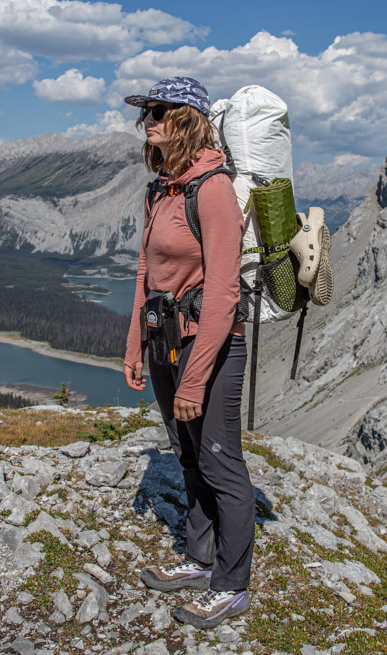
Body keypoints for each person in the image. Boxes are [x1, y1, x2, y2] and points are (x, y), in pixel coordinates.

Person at [122, 76, 254, 629]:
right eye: (145, 111)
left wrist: (196, 381)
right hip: (165, 341)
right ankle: (200, 559)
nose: (148, 119)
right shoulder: (162, 188)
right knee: (188, 456)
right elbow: (146, 273)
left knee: (222, 464)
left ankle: (231, 585)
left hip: (211, 349)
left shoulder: (213, 189)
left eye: (159, 110)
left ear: (189, 119)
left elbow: (223, 293)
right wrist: (135, 346)